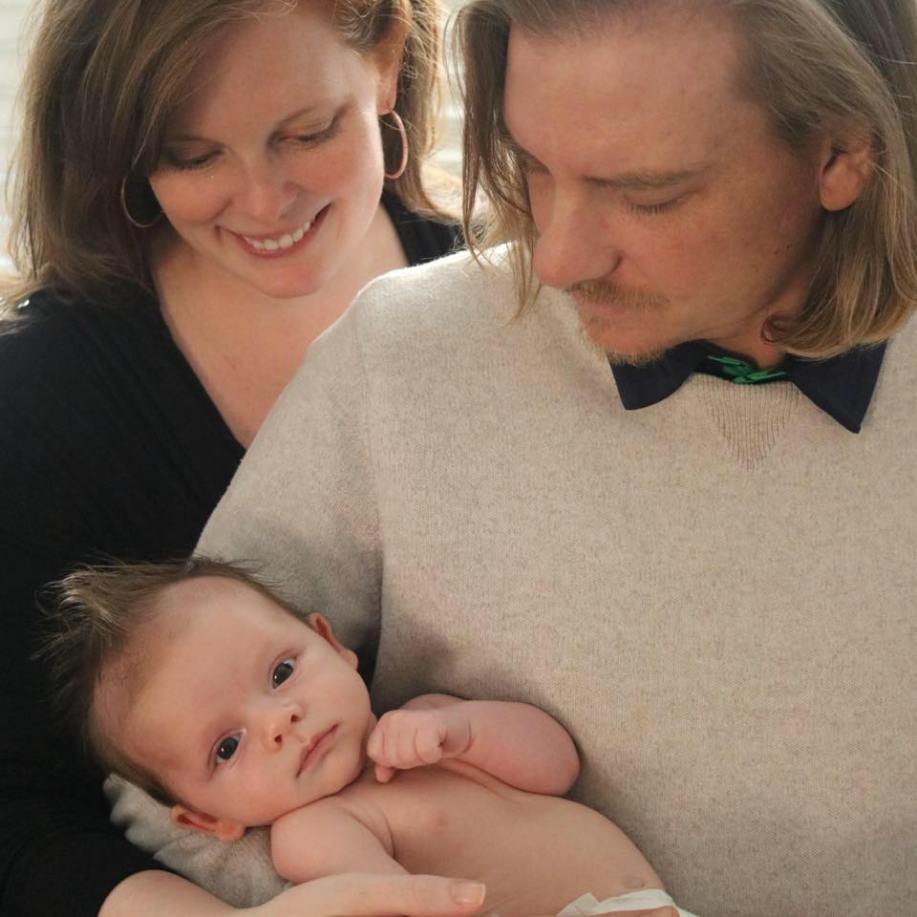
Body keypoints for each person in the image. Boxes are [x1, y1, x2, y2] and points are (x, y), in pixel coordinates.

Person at [184, 1, 917, 915]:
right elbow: (166, 768)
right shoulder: (401, 355)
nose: (558, 259)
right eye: (533, 164)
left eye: (645, 194)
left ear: (841, 155)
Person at [0, 0, 465, 915]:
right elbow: (16, 814)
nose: (262, 202)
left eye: (305, 133)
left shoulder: (518, 300)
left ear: (384, 59)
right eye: (193, 155)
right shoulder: (39, 402)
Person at [46, 557, 697, 917]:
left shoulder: (428, 719)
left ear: (331, 644)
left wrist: (461, 730)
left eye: (281, 673)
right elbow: (400, 905)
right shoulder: (316, 829)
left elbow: (558, 767)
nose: (278, 722)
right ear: (207, 819)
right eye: (227, 746)